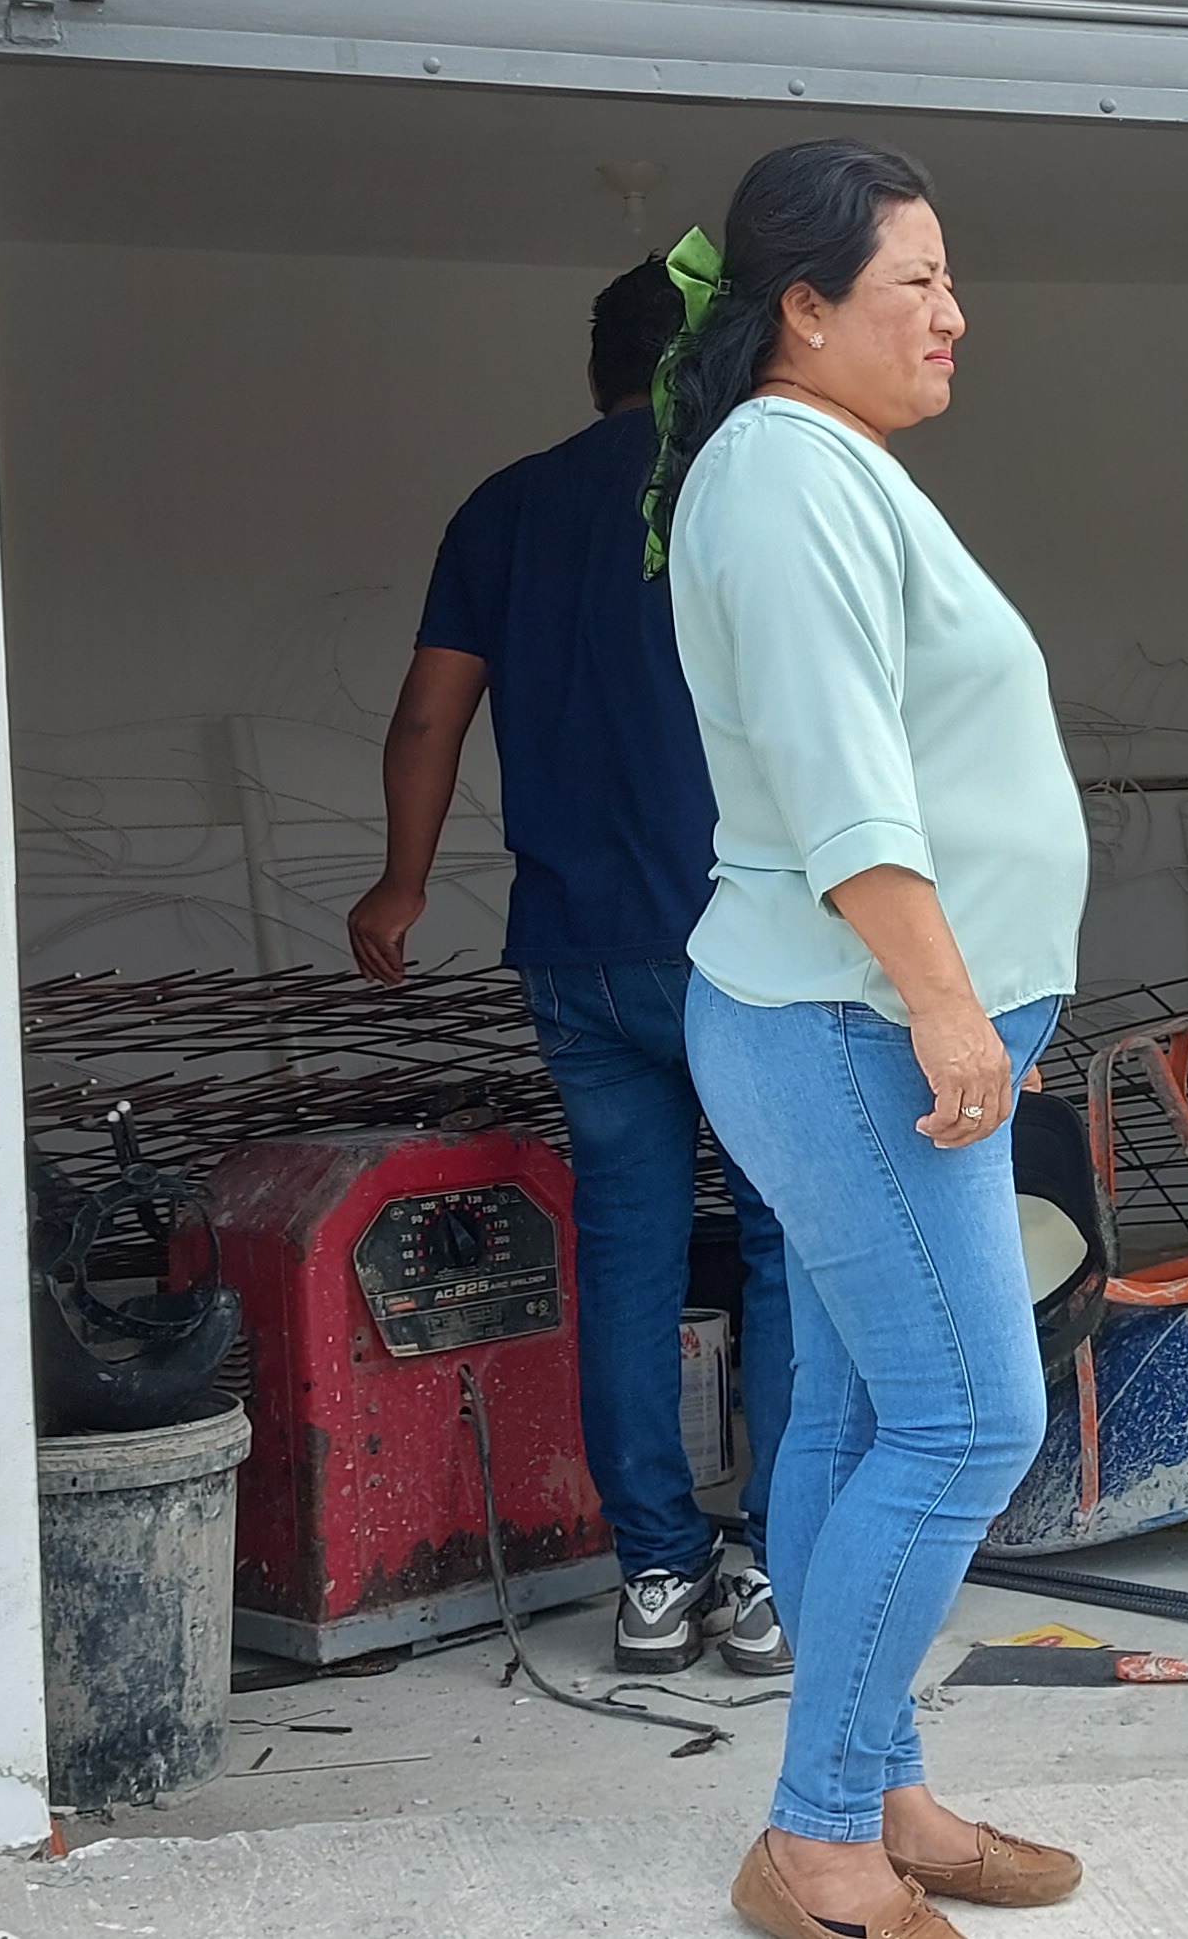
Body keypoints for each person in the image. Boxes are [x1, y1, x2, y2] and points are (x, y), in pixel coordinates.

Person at [654, 139, 1091, 1939]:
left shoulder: (825, 465)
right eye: (917, 282)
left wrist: (981, 996)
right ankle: (819, 1834)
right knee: (974, 1419)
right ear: (805, 307)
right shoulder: (780, 474)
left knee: (853, 1418)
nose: (953, 315)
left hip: (871, 1021)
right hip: (852, 1023)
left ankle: (881, 1788)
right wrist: (944, 1000)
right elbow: (844, 785)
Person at [346, 259, 796, 1683]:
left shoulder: (506, 507)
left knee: (628, 1257)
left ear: (597, 371)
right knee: (788, 1250)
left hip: (577, 959)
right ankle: (775, 1570)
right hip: (743, 948)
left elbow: (428, 720)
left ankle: (656, 1574)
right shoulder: (737, 487)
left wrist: (403, 882)